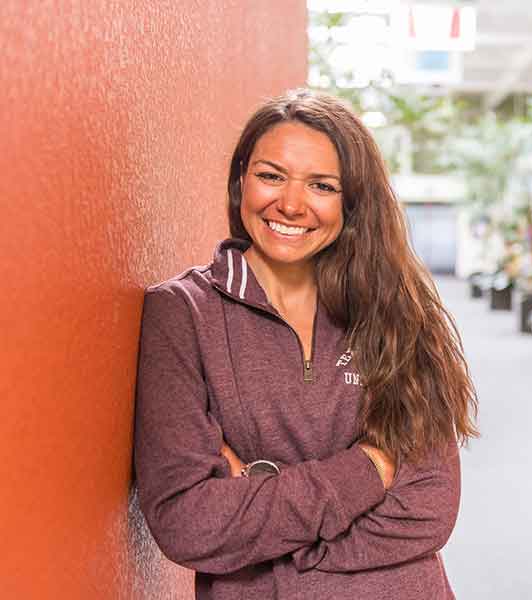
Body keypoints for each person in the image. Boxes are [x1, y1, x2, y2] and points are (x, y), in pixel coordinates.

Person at [133, 88, 478, 600]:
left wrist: (262, 499)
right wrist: (369, 468)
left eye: (321, 185)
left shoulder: (395, 308)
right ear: (240, 181)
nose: (291, 205)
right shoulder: (183, 314)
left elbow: (427, 508)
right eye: (271, 176)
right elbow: (189, 522)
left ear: (351, 201)